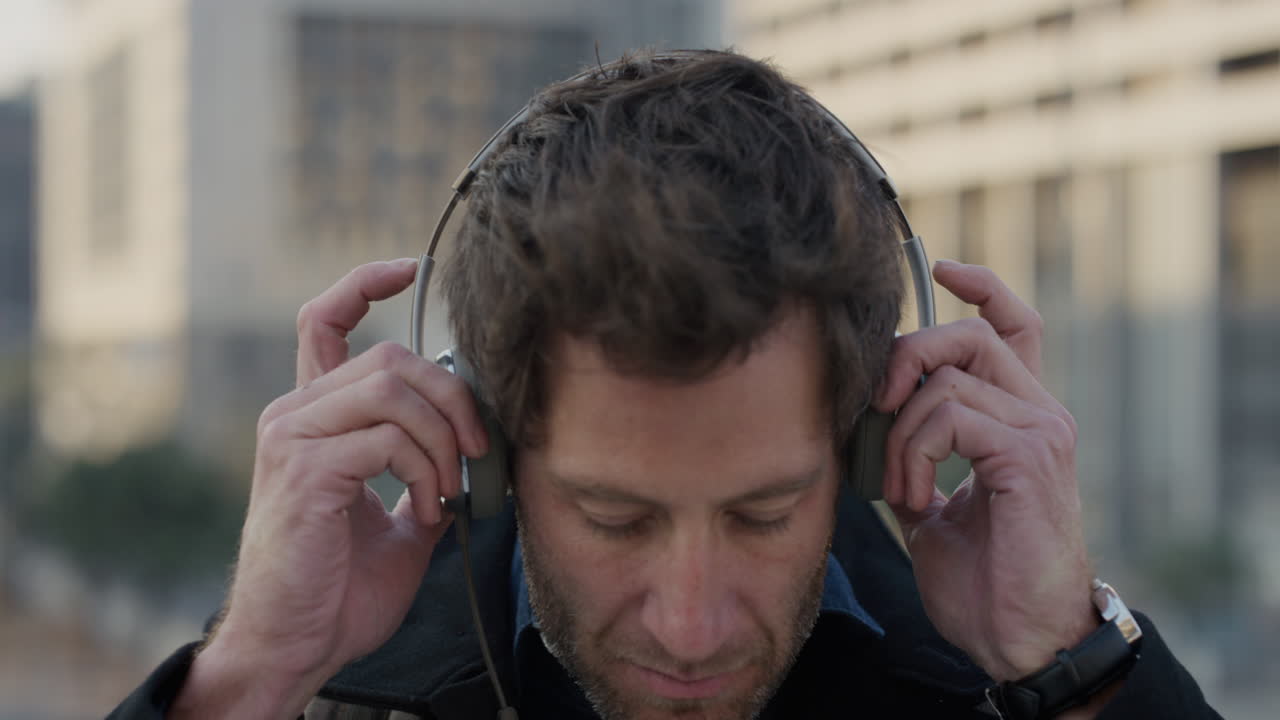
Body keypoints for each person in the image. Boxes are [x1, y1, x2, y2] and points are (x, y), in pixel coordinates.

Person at [109, 50, 1220, 720]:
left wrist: (1070, 670)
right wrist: (253, 676)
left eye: (764, 514)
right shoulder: (324, 698)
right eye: (615, 517)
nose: (690, 628)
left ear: (869, 438)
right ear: (481, 444)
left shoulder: (1005, 693)